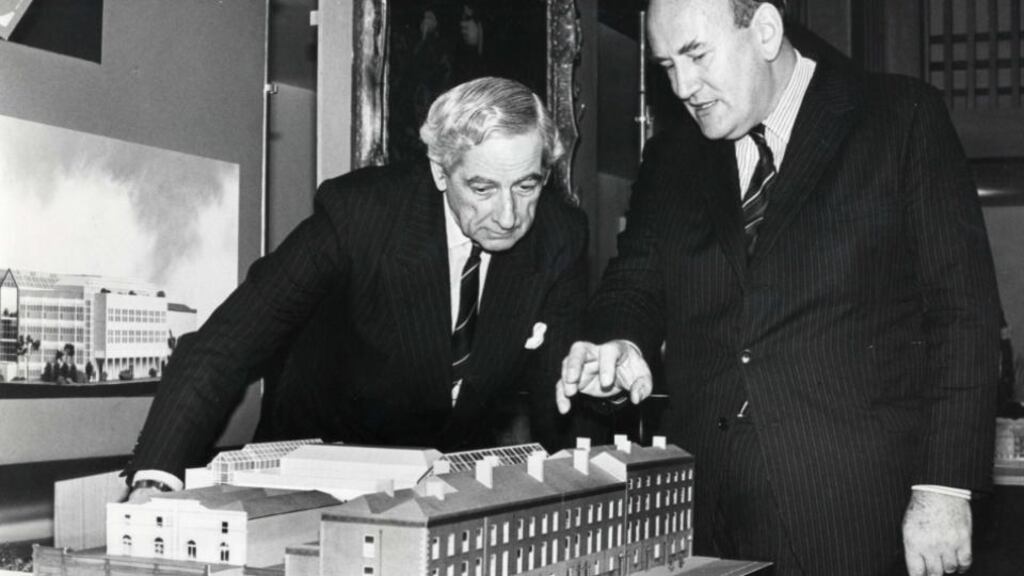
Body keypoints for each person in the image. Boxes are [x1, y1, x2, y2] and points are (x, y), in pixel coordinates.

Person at [556, 1, 1002, 575]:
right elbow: (633, 285)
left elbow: (963, 314)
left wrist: (944, 488)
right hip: (706, 519)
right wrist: (619, 344)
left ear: (764, 31)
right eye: (667, 67)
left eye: (696, 56)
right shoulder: (671, 156)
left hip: (859, 518)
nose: (684, 87)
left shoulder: (899, 117)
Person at [126, 77, 587, 501]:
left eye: (527, 185)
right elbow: (224, 346)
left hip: (442, 489)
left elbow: (562, 390)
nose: (509, 216)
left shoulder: (558, 235)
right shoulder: (359, 216)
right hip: (311, 478)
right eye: (483, 188)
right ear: (441, 171)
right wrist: (155, 478)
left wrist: (581, 487)